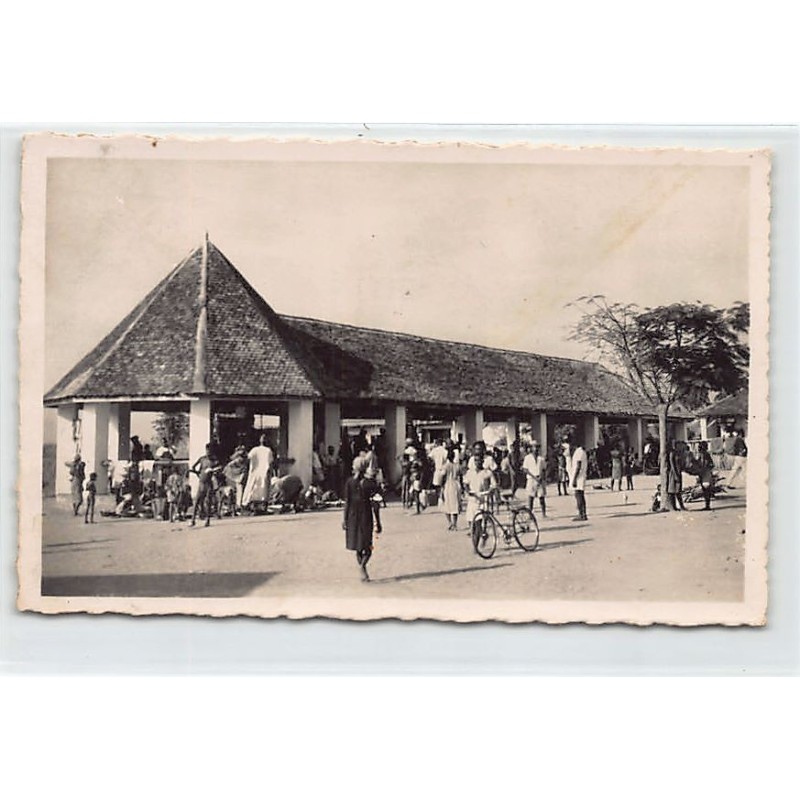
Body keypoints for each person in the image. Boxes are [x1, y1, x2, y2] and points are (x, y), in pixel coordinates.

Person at [343, 458, 374, 581]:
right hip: (365, 515)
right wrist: (378, 521)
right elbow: (375, 503)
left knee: (358, 546)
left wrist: (345, 519)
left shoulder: (350, 482)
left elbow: (347, 502)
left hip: (353, 516)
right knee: (368, 546)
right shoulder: (369, 483)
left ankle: (362, 568)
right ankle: (363, 567)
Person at [463, 451, 497, 533]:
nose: (477, 462)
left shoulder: (487, 473)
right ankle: (477, 534)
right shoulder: (470, 472)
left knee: (478, 523)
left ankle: (479, 537)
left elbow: (494, 485)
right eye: (475, 460)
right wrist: (468, 491)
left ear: (482, 461)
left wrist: (490, 491)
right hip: (472, 500)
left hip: (483, 500)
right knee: (471, 523)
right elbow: (465, 484)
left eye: (478, 460)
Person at [190, 443, 221, 527]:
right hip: (201, 482)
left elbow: (219, 468)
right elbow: (193, 467)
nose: (208, 452)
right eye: (207, 450)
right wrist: (198, 474)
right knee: (197, 501)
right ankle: (193, 520)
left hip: (208, 483)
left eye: (209, 451)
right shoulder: (202, 459)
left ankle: (207, 520)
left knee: (208, 501)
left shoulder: (214, 460)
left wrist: (212, 470)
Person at [242, 433, 274, 510]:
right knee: (263, 490)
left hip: (255, 473)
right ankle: (262, 506)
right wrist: (270, 472)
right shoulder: (268, 451)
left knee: (253, 489)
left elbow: (247, 458)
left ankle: (252, 505)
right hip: (263, 473)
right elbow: (270, 463)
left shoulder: (254, 450)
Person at [523, 441, 547, 517]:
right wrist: (534, 477)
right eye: (534, 447)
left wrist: (541, 477)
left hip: (540, 479)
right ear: (531, 448)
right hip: (531, 479)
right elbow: (525, 469)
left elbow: (544, 469)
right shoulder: (527, 458)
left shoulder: (541, 459)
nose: (536, 449)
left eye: (537, 447)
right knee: (531, 497)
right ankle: (530, 514)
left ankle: (544, 513)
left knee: (541, 497)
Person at [441, 447, 462, 531]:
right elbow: (460, 476)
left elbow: (443, 477)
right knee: (455, 504)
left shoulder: (446, 466)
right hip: (456, 484)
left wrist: (442, 486)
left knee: (447, 504)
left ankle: (450, 523)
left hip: (448, 484)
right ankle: (455, 524)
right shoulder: (457, 466)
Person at [570, 439, 589, 521]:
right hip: (580, 476)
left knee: (578, 495)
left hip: (579, 477)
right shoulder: (581, 452)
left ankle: (581, 514)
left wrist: (574, 479)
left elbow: (578, 466)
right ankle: (583, 514)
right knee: (580, 495)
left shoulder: (579, 452)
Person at [666, 440, 686, 511]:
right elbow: (672, 465)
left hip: (678, 472)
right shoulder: (672, 453)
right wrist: (675, 474)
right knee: (673, 490)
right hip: (673, 473)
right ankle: (674, 506)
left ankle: (681, 506)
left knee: (678, 490)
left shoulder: (679, 453)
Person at [696, 440, 715, 511]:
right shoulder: (705, 454)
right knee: (706, 489)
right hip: (706, 473)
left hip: (705, 473)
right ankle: (707, 505)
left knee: (706, 489)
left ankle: (707, 506)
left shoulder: (703, 454)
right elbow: (711, 464)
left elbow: (704, 464)